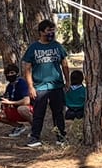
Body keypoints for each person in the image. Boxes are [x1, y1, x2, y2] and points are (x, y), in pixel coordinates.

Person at [23, 20, 69, 148]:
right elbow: (27, 68)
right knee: (38, 113)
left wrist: (67, 81)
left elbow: (64, 64)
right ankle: (35, 138)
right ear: (41, 32)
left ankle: (61, 137)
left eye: (53, 30)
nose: (51, 33)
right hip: (40, 87)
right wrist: (30, 86)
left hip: (57, 86)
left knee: (58, 113)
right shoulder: (33, 48)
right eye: (48, 30)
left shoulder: (57, 46)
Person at [0, 64, 33, 136]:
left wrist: (10, 102)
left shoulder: (22, 83)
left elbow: (27, 101)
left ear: (17, 73)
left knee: (22, 109)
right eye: (7, 73)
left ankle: (35, 127)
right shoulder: (9, 86)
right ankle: (19, 127)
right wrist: (4, 104)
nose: (10, 75)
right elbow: (7, 98)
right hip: (14, 110)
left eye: (12, 73)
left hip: (28, 109)